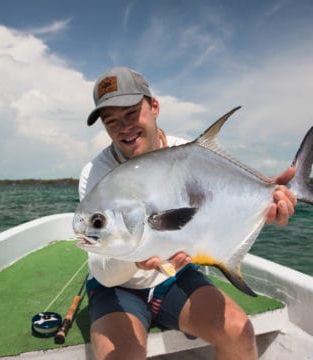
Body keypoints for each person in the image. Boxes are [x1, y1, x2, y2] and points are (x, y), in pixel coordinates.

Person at [78, 66, 297, 360]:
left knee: (239, 332)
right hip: (119, 285)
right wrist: (136, 262)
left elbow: (222, 206)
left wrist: (269, 203)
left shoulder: (192, 153)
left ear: (154, 107)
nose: (123, 127)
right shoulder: (96, 173)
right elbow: (105, 272)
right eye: (111, 121)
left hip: (174, 275)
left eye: (131, 113)